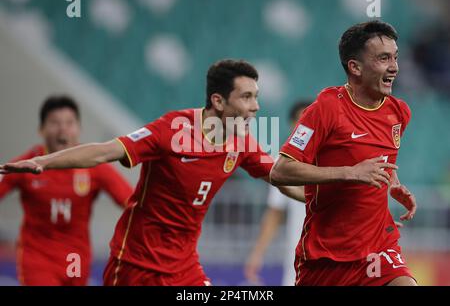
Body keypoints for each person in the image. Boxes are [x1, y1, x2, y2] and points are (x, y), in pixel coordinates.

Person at [0, 60, 304, 286]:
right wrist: (45, 162)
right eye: (247, 97)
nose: (256, 106)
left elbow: (282, 179)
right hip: (136, 265)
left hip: (184, 267)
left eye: (256, 96)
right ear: (218, 101)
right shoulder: (171, 130)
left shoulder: (242, 143)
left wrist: (336, 189)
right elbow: (105, 150)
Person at [270, 21, 418, 286]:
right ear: (355, 67)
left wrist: (393, 184)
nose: (394, 67)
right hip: (326, 256)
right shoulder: (326, 108)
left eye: (395, 57)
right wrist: (350, 173)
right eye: (383, 58)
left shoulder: (399, 112)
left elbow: (379, 162)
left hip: (378, 246)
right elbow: (280, 171)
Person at [0, 95, 133, 286]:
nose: (63, 128)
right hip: (37, 258)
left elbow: (131, 201)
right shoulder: (27, 165)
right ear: (41, 129)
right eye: (54, 122)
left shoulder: (93, 166)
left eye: (69, 122)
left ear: (79, 129)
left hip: (76, 257)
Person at [245, 101, 309, 286]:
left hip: (338, 257)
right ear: (292, 126)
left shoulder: (337, 161)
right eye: (301, 121)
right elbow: (275, 213)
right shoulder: (282, 165)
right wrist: (257, 254)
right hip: (300, 260)